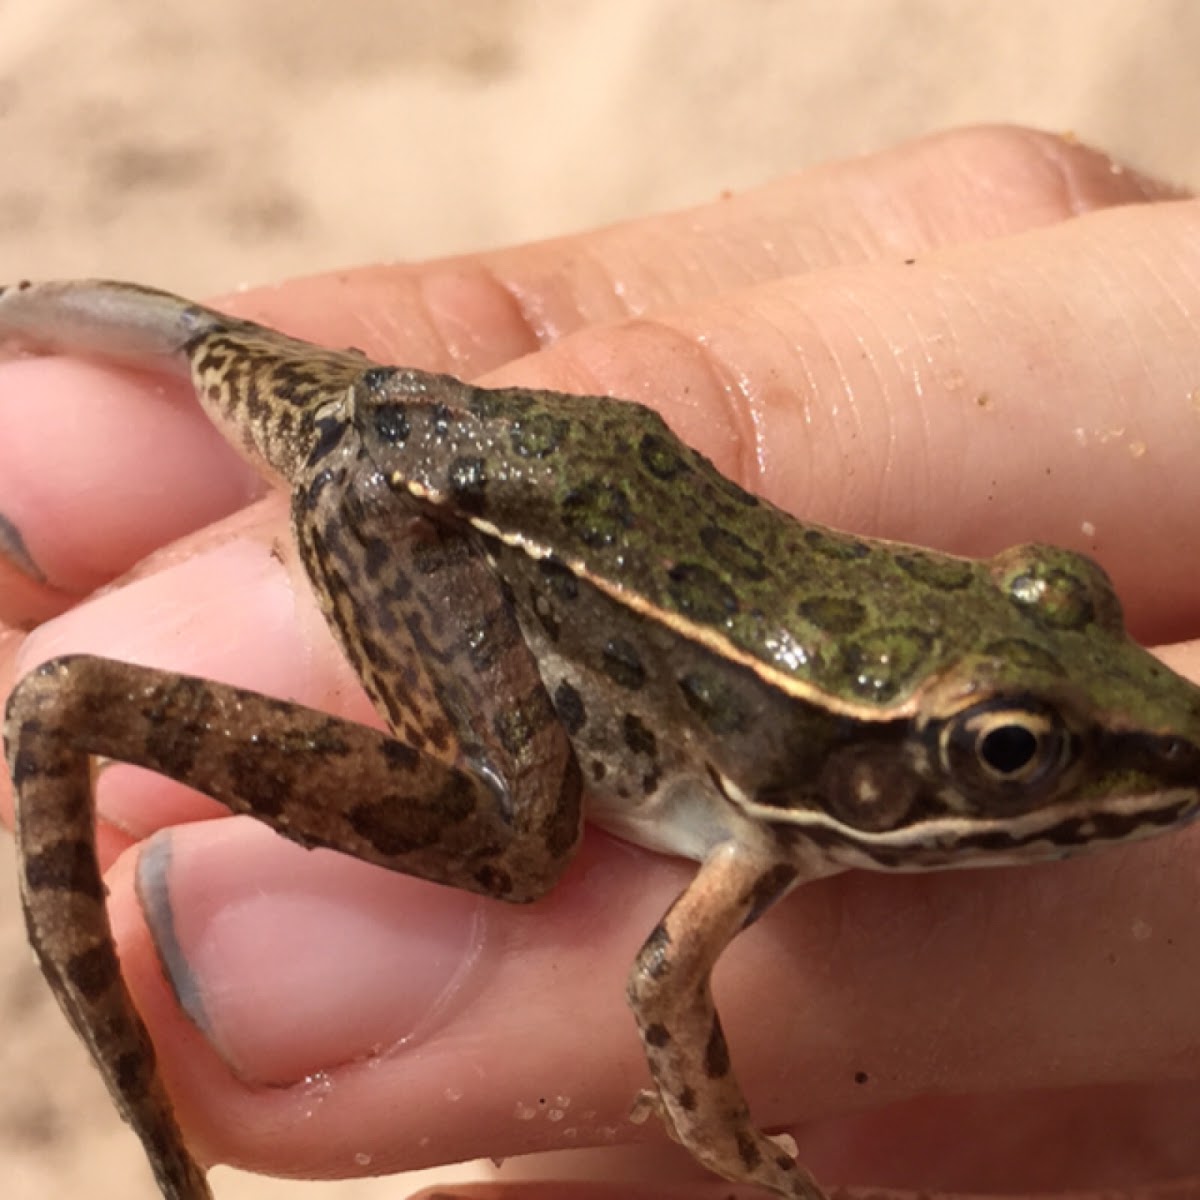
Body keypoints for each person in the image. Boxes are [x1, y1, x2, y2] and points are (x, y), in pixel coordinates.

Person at [2, 126, 1198, 1199]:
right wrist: (744, 1156)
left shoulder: (812, 763)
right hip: (427, 510)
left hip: (487, 453)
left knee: (217, 351)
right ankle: (82, 708)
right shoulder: (756, 836)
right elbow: (661, 987)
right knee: (524, 841)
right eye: (1010, 752)